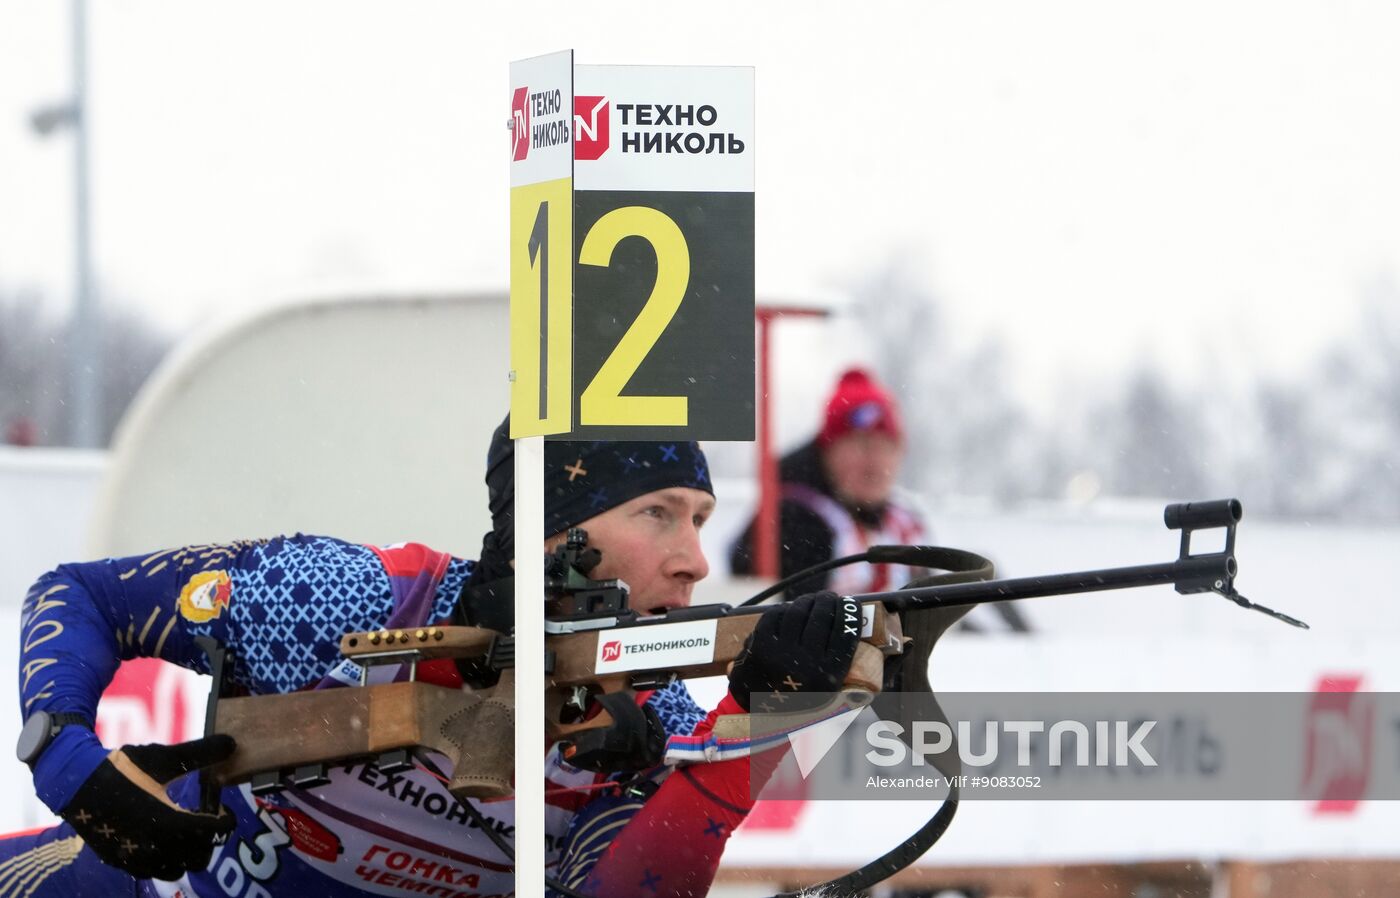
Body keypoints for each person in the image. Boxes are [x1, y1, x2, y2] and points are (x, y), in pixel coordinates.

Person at [4, 420, 860, 898]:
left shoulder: (660, 721)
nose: (695, 562)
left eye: (702, 519)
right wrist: (68, 760)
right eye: (660, 514)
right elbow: (83, 595)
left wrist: (758, 723)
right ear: (552, 531)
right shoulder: (356, 597)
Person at [731, 367, 1029, 632]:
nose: (874, 461)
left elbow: (933, 615)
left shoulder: (904, 523)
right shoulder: (796, 518)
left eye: (886, 445)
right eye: (860, 444)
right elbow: (794, 626)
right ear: (828, 452)